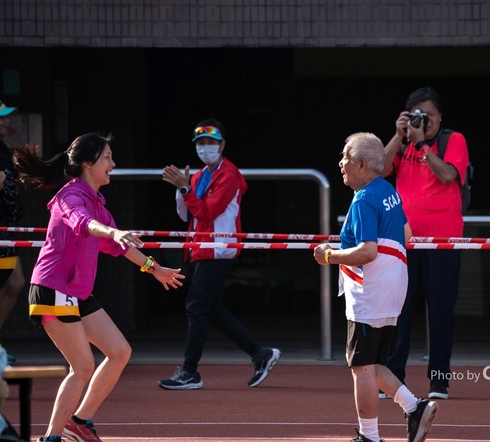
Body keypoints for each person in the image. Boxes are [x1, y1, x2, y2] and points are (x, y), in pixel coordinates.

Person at [13, 133, 185, 442]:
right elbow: (84, 223)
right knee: (82, 367)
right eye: (107, 157)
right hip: (53, 289)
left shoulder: (96, 201)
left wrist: (155, 269)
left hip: (75, 293)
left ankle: (79, 422)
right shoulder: (70, 196)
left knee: (119, 352)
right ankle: (51, 438)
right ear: (87, 163)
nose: (113, 163)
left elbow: (119, 246)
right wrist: (113, 232)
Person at [314, 132, 438, 442]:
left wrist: (329, 255)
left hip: (370, 289)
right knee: (372, 363)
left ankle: (369, 437)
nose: (341, 163)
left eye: (345, 157)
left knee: (361, 367)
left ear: (360, 164)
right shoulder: (388, 191)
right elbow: (406, 234)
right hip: (393, 284)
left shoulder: (364, 199)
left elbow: (368, 251)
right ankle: (414, 407)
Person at [159, 117, 280, 390]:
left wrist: (185, 189)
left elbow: (207, 213)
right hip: (201, 247)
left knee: (196, 306)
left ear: (222, 145)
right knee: (212, 308)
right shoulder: (199, 175)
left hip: (218, 247)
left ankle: (190, 371)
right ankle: (260, 354)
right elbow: (186, 215)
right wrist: (183, 189)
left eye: (211, 142)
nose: (205, 148)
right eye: (200, 143)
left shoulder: (229, 175)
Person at [382, 87, 469, 400]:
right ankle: (392, 378)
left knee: (441, 310)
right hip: (404, 239)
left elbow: (447, 175)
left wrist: (421, 144)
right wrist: (398, 136)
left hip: (443, 240)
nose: (424, 121)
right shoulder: (403, 142)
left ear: (440, 117)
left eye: (429, 115)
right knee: (398, 310)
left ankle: (439, 381)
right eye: (417, 115)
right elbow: (379, 170)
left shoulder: (453, 140)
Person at [0, 100, 26, 365]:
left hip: (5, 230)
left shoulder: (5, 151)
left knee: (15, 281)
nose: (7, 121)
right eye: (2, 118)